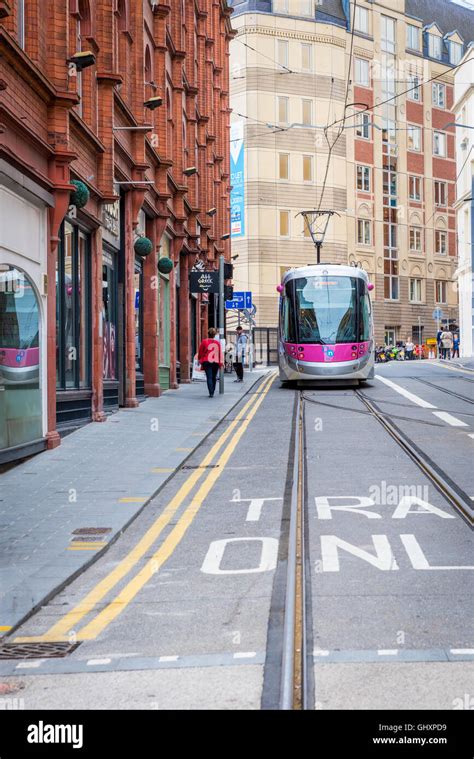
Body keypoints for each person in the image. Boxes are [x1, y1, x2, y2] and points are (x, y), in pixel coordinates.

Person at [197, 327, 223, 397]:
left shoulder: (204, 341)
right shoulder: (217, 343)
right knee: (214, 377)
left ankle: (211, 392)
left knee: (209, 377)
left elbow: (200, 351)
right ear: (214, 335)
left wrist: (199, 359)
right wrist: (221, 363)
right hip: (215, 362)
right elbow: (220, 353)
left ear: (208, 334)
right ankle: (213, 390)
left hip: (207, 361)